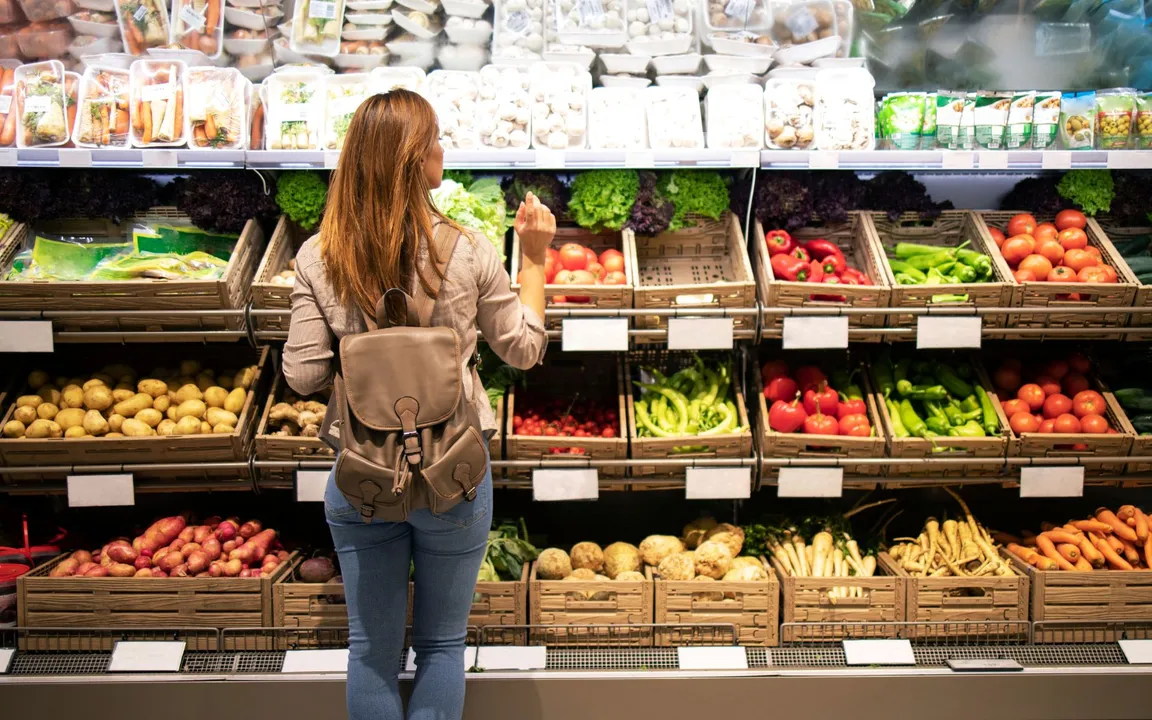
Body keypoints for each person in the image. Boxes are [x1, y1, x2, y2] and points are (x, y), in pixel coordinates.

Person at [282, 89, 553, 720]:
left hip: (362, 479)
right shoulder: (470, 249)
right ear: (412, 160)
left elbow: (302, 373)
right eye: (432, 138)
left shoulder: (319, 256)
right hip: (453, 475)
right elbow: (522, 349)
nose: (441, 149)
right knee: (440, 646)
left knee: (371, 651)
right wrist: (534, 258)